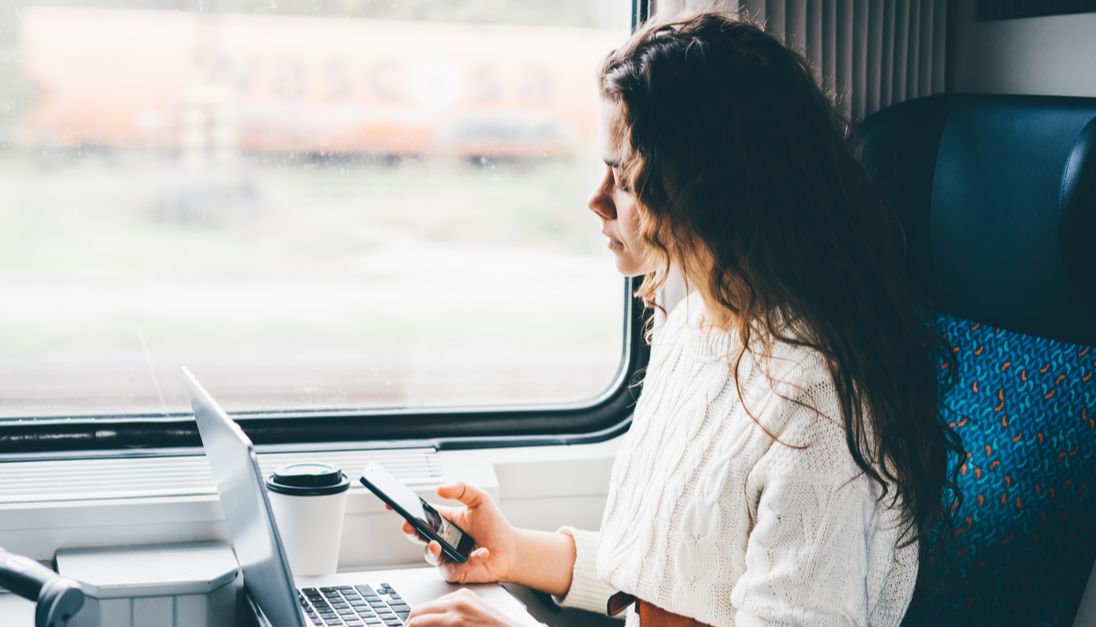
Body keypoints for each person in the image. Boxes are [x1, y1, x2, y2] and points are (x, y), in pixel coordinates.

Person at [401, 10, 962, 627]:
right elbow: (666, 583)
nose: (596, 200)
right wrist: (513, 552)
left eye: (623, 176)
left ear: (706, 189)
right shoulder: (694, 324)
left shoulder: (819, 405)